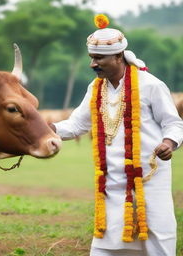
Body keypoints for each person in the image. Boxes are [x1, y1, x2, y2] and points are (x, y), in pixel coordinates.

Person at [50, 14, 183, 256]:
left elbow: (174, 123)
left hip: (149, 180)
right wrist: (48, 130)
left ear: (119, 56)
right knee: (106, 241)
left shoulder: (150, 85)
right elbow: (77, 125)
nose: (93, 64)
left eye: (99, 58)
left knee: (157, 238)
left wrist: (168, 142)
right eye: (91, 58)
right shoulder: (95, 88)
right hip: (112, 183)